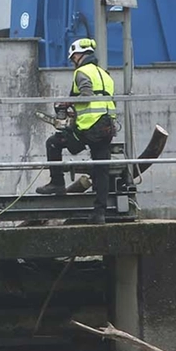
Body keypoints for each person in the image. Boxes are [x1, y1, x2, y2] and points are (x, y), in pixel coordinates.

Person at [36, 37, 117, 224]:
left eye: (73, 58)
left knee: (54, 143)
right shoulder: (105, 74)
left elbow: (87, 95)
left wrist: (68, 103)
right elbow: (104, 100)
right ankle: (99, 213)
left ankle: (57, 183)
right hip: (106, 128)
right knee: (102, 169)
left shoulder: (81, 72)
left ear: (79, 55)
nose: (73, 61)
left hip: (89, 129)